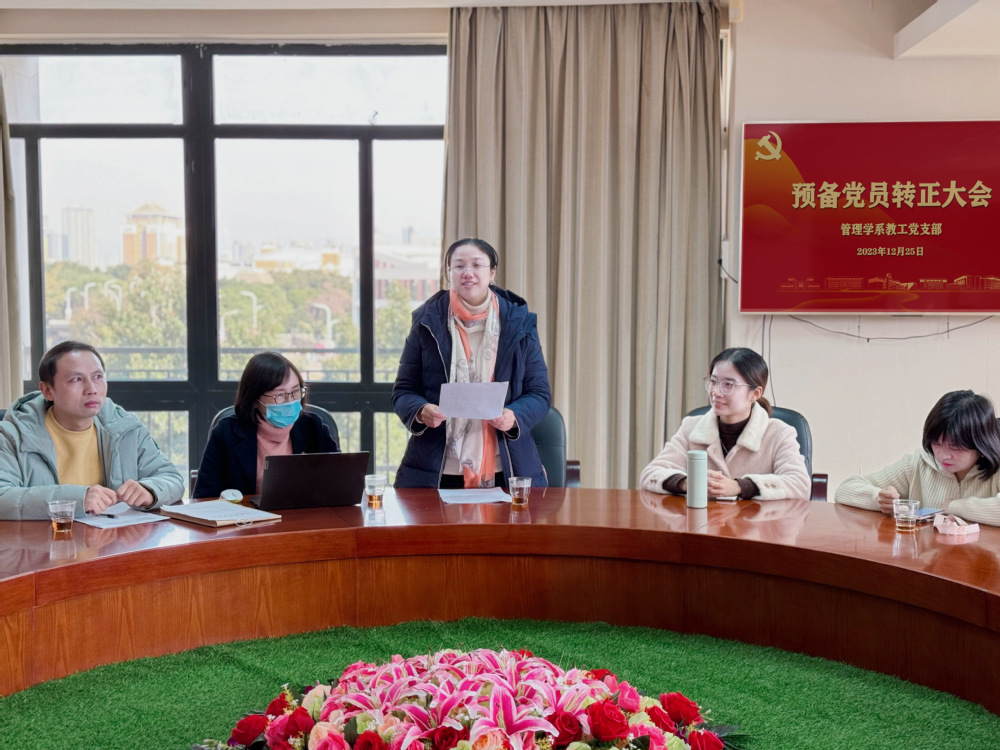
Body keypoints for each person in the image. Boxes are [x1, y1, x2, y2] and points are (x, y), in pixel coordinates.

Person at [392, 238, 552, 488]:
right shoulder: (426, 322)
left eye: (477, 265)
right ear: (449, 272)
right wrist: (421, 411)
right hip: (437, 469)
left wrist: (514, 415)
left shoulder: (519, 324)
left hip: (506, 467)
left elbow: (539, 394)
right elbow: (403, 391)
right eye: (459, 266)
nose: (468, 273)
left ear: (492, 271)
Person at [0, 341, 184, 520]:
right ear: (47, 390)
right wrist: (78, 499)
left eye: (97, 377)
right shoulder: (13, 436)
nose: (92, 389)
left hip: (114, 539)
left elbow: (171, 478)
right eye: (76, 379)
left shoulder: (126, 428)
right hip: (45, 540)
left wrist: (150, 490)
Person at [640, 347, 811, 501]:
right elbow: (650, 474)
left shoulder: (779, 433)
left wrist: (740, 486)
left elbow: (800, 484)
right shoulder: (691, 427)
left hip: (757, 524)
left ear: (755, 394)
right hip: (702, 521)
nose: (715, 392)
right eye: (713, 382)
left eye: (728, 384)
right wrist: (687, 482)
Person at [834, 390, 1000, 526]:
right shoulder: (918, 463)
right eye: (937, 443)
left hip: (982, 557)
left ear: (981, 443)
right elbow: (845, 490)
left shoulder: (996, 468)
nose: (943, 455)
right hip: (928, 555)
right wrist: (878, 498)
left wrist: (953, 506)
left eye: (956, 447)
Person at [193, 351, 339, 498]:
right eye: (279, 395)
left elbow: (340, 481)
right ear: (255, 399)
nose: (290, 401)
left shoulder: (314, 427)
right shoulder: (226, 433)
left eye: (295, 392)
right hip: (245, 512)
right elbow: (203, 496)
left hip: (306, 512)